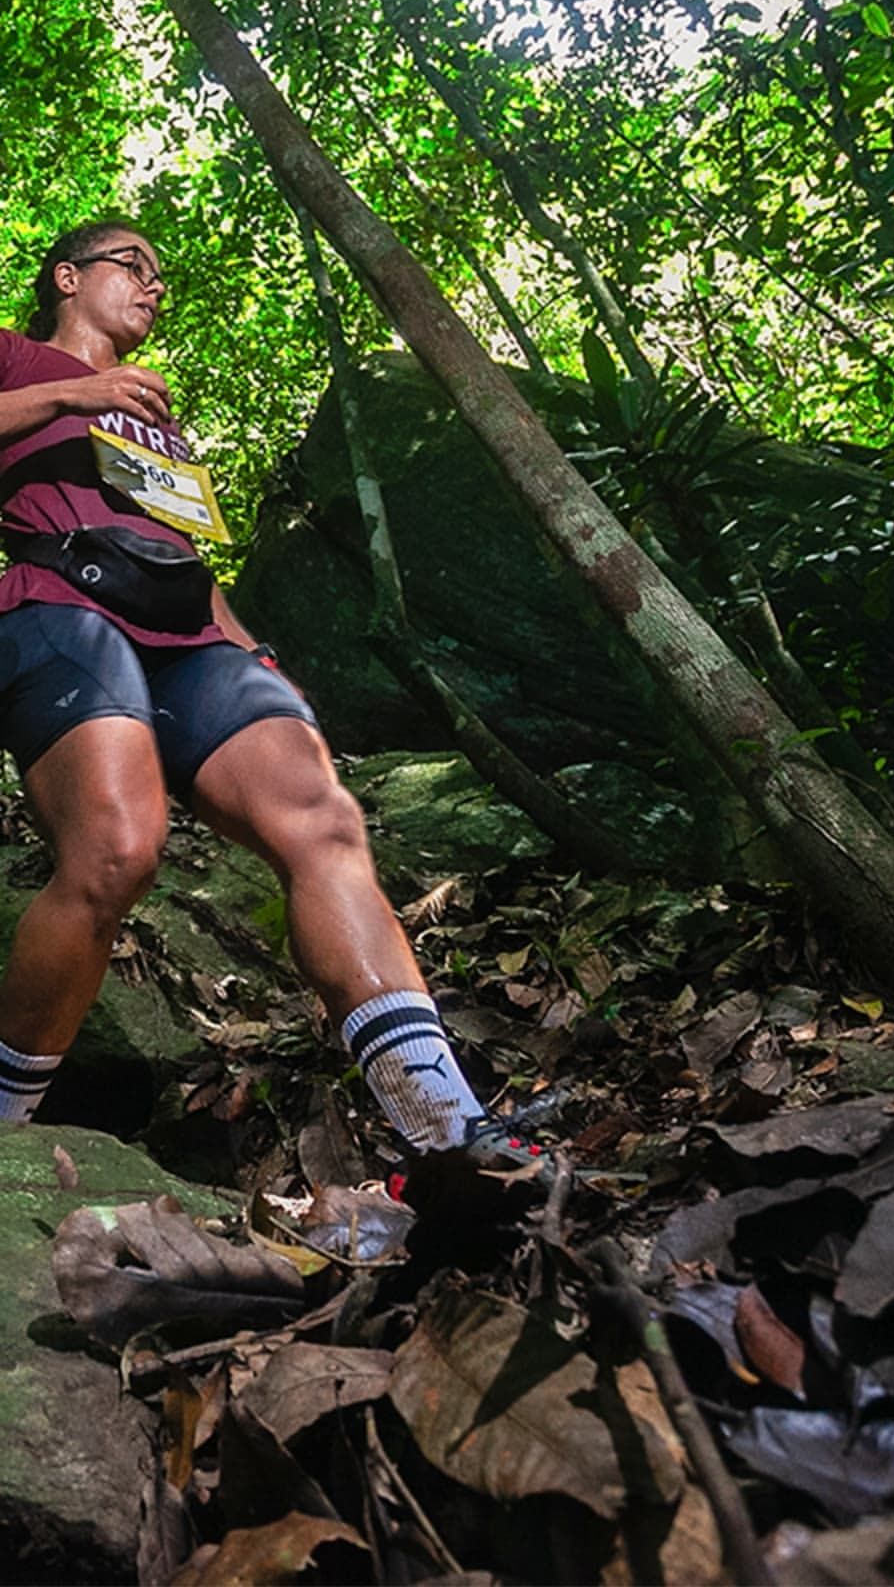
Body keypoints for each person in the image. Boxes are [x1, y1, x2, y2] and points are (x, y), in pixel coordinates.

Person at [0, 219, 542, 1174]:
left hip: (192, 633)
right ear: (67, 277)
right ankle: (7, 1131)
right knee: (117, 852)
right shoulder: (18, 359)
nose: (153, 285)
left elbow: (176, 547)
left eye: (161, 276)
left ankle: (451, 1132)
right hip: (58, 602)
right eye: (134, 264)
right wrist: (73, 393)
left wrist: (255, 652)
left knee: (323, 822)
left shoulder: (154, 416)